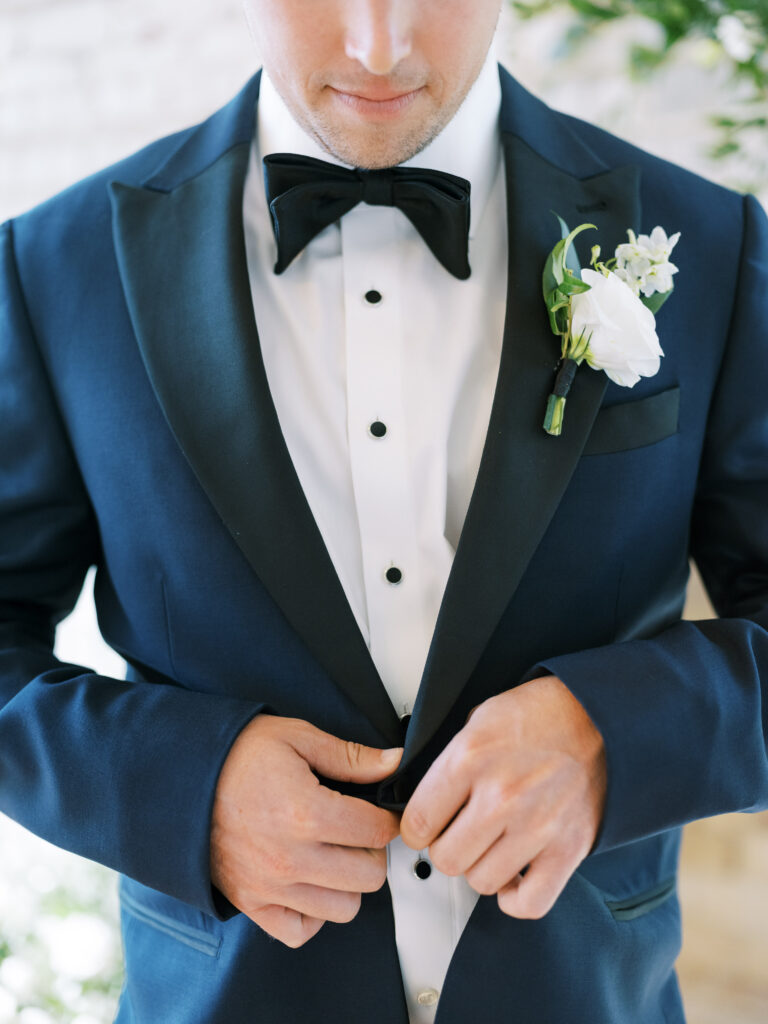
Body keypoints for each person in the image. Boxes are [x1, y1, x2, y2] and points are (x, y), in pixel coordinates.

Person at [1, 0, 766, 1021]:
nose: (379, 45)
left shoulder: (711, 245)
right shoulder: (54, 273)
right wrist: (182, 790)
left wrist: (616, 738)